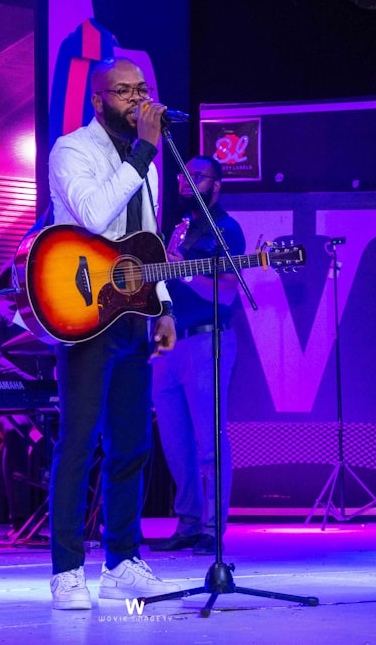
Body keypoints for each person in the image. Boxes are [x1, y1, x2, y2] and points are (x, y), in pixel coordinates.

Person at [45, 57, 180, 610]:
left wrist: (164, 305)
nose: (135, 99)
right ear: (97, 100)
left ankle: (122, 561)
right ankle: (67, 571)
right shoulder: (72, 149)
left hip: (132, 309)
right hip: (81, 305)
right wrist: (143, 151)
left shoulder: (148, 159)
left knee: (132, 444)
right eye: (123, 91)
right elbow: (96, 217)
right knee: (79, 441)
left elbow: (147, 236)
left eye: (141, 89)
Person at [149, 155, 245, 556]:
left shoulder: (226, 229)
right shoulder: (181, 227)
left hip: (209, 341)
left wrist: (182, 269)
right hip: (169, 343)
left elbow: (228, 291)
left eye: (196, 176)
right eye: (182, 176)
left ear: (216, 184)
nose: (186, 182)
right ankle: (188, 522)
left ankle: (211, 528)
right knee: (175, 442)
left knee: (209, 442)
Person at [0, 264, 55, 539]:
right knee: (19, 434)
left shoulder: (39, 313)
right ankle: (19, 520)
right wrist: (27, 380)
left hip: (44, 398)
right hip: (7, 397)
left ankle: (67, 517)